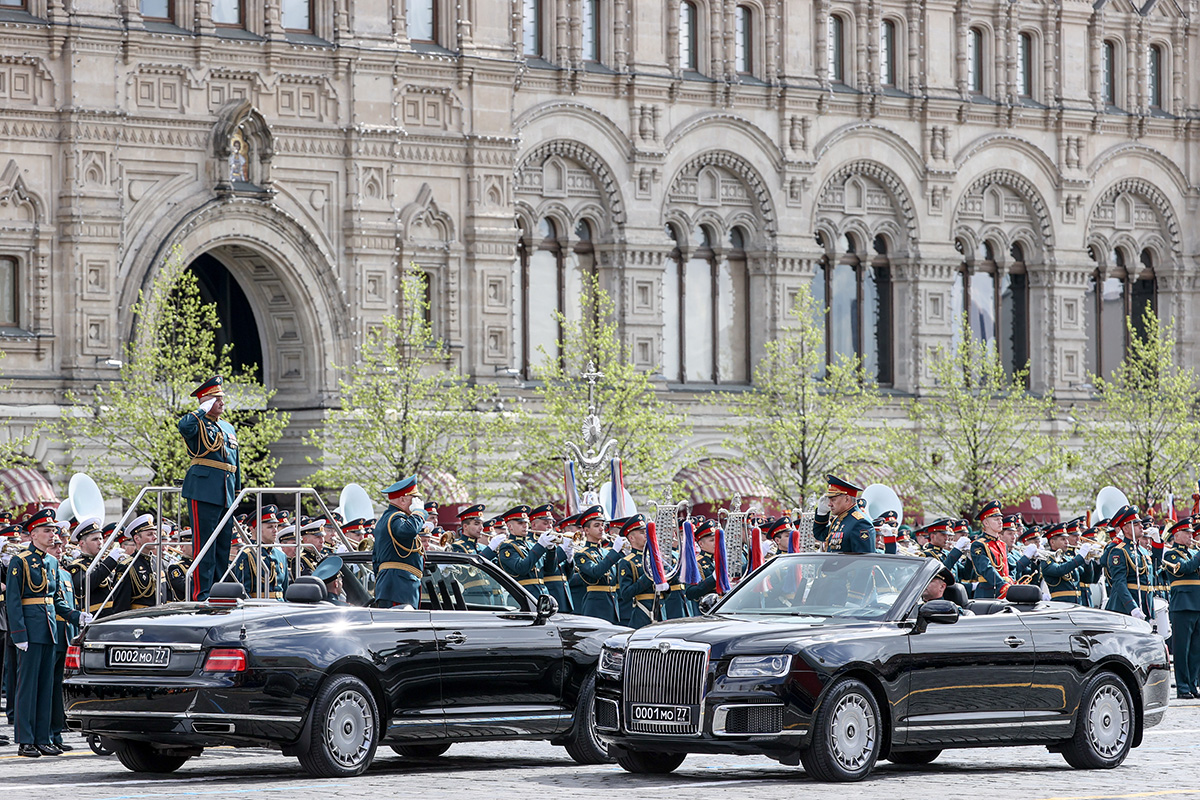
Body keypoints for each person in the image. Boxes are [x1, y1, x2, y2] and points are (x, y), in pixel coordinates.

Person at [6, 508, 89, 757]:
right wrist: (19, 634)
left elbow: (56, 600)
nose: (52, 535)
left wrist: (76, 616)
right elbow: (14, 600)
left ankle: (43, 737)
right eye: (46, 530)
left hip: (50, 629)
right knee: (28, 687)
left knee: (45, 687)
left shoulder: (52, 562)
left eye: (53, 530)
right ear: (33, 535)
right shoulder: (19, 561)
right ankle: (26, 739)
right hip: (30, 632)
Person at [178, 375, 241, 601]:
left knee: (224, 545)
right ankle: (201, 593)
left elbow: (235, 464)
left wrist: (237, 494)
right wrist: (201, 410)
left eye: (222, 398)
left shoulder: (227, 427)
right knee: (204, 545)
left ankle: (219, 590)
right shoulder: (196, 422)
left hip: (226, 491)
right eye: (217, 399)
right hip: (203, 490)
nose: (222, 403)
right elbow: (183, 427)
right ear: (205, 402)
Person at [372, 475, 428, 608]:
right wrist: (419, 512)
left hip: (393, 587)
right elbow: (408, 531)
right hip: (398, 588)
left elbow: (376, 558)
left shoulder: (386, 519)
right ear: (403, 499)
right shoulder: (396, 518)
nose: (417, 502)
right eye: (414, 499)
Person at [1162, 517, 1200, 699]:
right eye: (1187, 533)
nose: (1191, 537)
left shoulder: (1194, 553)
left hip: (1197, 604)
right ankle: (1183, 687)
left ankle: (1193, 685)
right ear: (1177, 535)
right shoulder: (1170, 555)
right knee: (1182, 649)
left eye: (1191, 533)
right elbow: (1185, 568)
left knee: (1196, 649)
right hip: (1183, 605)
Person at [571, 505, 625, 623]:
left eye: (602, 525)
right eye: (596, 525)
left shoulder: (607, 552)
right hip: (596, 606)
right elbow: (596, 572)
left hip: (613, 603)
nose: (601, 529)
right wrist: (615, 552)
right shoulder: (582, 554)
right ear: (586, 530)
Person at [48, 534, 76, 751]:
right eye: (55, 546)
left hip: (66, 633)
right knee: (48, 686)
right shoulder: (46, 572)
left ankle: (57, 731)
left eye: (60, 546)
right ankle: (47, 732)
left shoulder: (65, 573)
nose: (59, 550)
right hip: (52, 632)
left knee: (60, 687)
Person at [616, 515, 667, 628]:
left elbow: (666, 592)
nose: (646, 535)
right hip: (643, 613)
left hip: (661, 611)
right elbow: (626, 594)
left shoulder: (653, 558)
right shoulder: (626, 562)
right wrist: (649, 575)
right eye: (641, 532)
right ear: (632, 538)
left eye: (646, 532)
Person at [496, 505, 554, 597]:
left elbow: (550, 570)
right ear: (509, 526)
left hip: (542, 593)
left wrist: (551, 550)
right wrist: (540, 546)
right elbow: (521, 568)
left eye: (526, 523)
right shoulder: (507, 546)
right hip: (523, 594)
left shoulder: (531, 545)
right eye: (520, 523)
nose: (525, 526)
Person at [813, 475, 875, 553]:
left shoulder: (860, 523)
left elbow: (864, 560)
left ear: (847, 499)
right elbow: (820, 534)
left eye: (833, 500)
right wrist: (821, 514)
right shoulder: (839, 519)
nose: (829, 504)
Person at [531, 504, 574, 613]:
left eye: (551, 523)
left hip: (563, 594)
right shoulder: (532, 544)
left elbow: (567, 576)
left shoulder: (554, 543)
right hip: (549, 592)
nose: (550, 527)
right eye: (545, 523)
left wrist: (569, 560)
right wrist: (562, 551)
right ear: (533, 525)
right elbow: (546, 567)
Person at [1039, 523, 1092, 603]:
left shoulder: (1068, 559)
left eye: (1067, 539)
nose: (1067, 542)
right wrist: (1080, 556)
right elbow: (1059, 570)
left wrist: (1088, 562)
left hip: (1077, 604)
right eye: (1063, 539)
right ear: (1052, 542)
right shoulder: (1047, 558)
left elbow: (1087, 579)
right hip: (1060, 605)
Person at [970, 501, 1011, 599]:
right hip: (987, 592)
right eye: (996, 519)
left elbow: (1008, 568)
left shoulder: (1002, 544)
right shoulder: (979, 544)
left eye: (1001, 519)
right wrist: (1002, 585)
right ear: (986, 523)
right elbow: (986, 568)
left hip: (1005, 589)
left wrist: (1010, 581)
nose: (1000, 522)